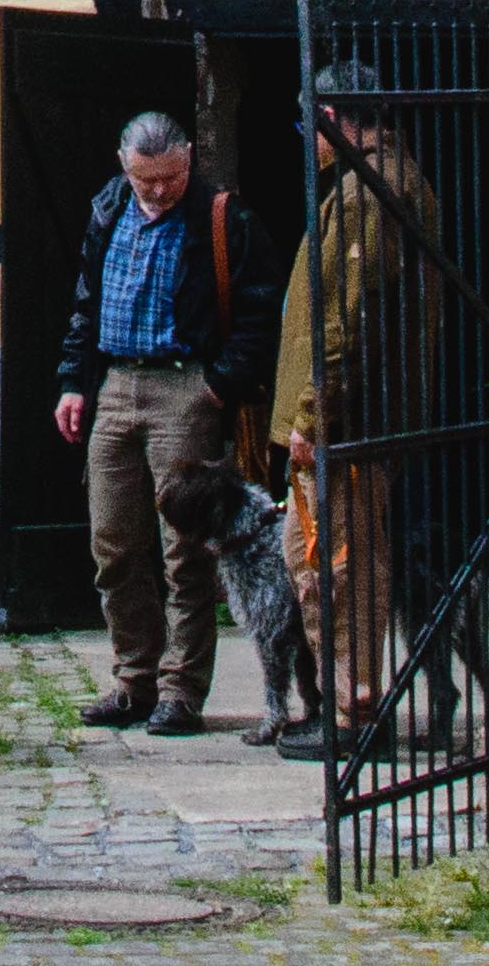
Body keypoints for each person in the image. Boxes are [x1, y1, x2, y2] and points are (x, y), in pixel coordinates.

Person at [51, 110, 272, 733]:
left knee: (186, 550)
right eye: (146, 179)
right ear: (125, 165)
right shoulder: (108, 208)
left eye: (169, 178)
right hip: (117, 382)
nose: (158, 190)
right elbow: (85, 304)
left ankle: (182, 690)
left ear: (189, 160)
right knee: (113, 542)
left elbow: (259, 310)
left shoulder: (222, 217)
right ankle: (134, 680)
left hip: (185, 384)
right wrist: (74, 382)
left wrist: (217, 385)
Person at [270, 63, 448, 763]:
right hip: (361, 416)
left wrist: (314, 418)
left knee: (333, 564)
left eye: (309, 123)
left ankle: (352, 710)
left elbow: (346, 318)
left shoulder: (369, 191)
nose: (309, 141)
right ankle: (351, 700)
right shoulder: (386, 182)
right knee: (333, 558)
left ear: (335, 114)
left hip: (349, 422)